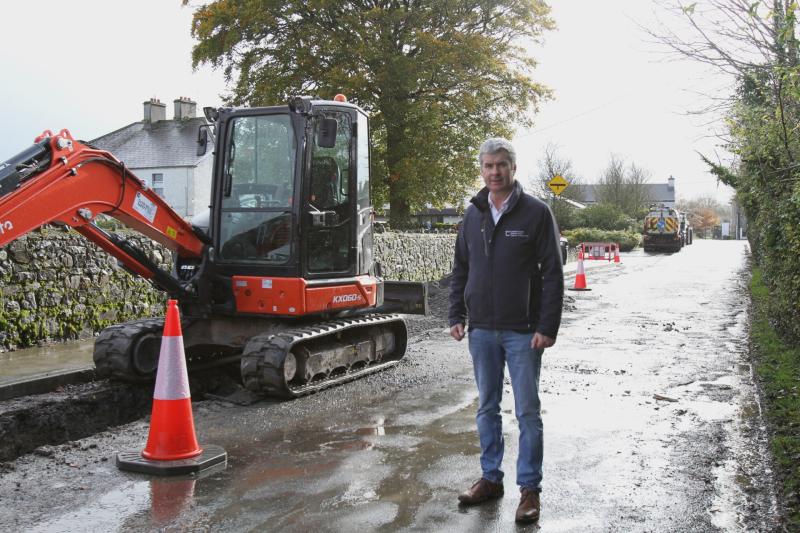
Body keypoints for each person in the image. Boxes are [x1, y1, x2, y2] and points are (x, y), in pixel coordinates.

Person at [448, 138, 564, 524]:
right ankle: (491, 479)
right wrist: (455, 314)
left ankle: (529, 490)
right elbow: (460, 269)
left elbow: (553, 273)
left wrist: (547, 326)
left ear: (513, 168)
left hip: (523, 333)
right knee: (486, 408)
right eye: (487, 166)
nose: (494, 172)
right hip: (481, 330)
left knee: (528, 412)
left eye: (501, 165)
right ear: (481, 170)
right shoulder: (473, 214)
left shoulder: (536, 213)